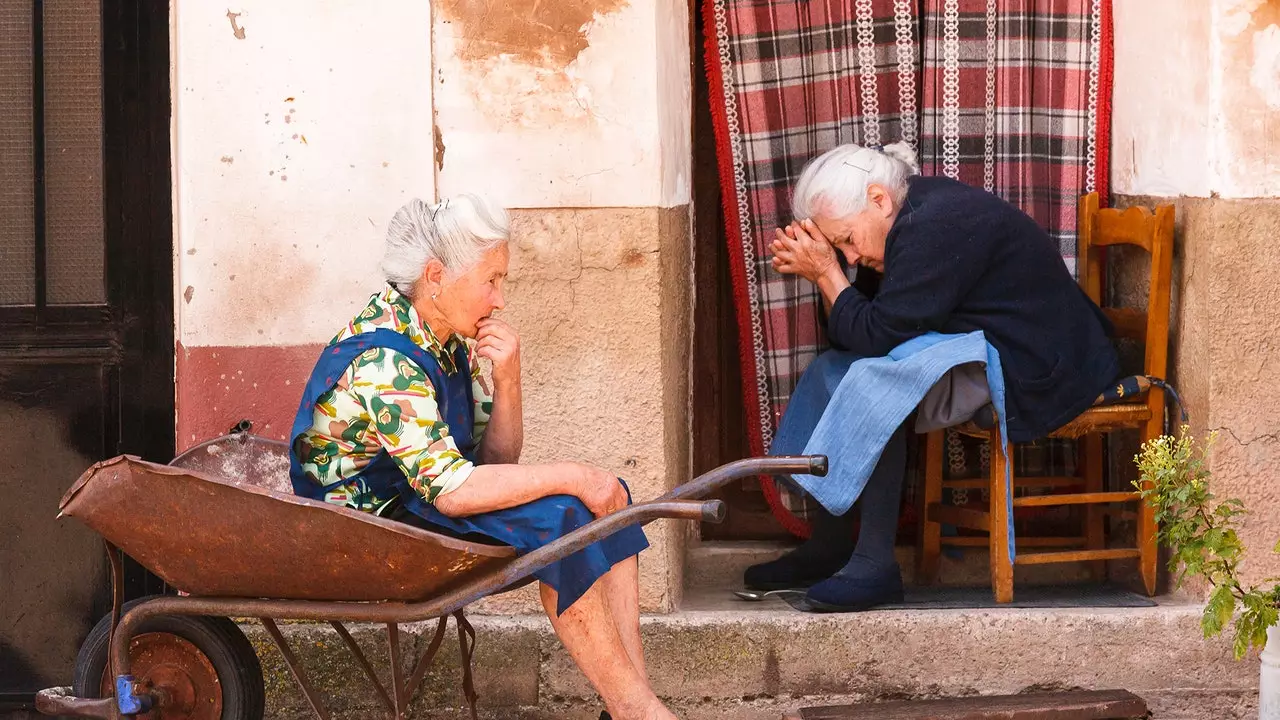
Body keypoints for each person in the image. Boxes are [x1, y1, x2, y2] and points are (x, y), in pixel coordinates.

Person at [289, 195, 676, 720]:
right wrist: (577, 475)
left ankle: (632, 702)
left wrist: (508, 379)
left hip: (420, 498)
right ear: (435, 275)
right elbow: (452, 492)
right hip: (369, 525)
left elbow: (496, 459)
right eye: (490, 280)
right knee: (567, 516)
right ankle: (638, 710)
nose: (499, 299)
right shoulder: (386, 359)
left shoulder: (445, 336)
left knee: (614, 501)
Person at [745, 142, 1120, 611]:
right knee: (832, 369)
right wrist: (831, 272)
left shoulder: (934, 226)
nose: (851, 257)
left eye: (846, 239)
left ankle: (875, 565)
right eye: (839, 247)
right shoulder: (898, 223)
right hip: (982, 347)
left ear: (879, 200)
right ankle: (831, 543)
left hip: (1039, 364)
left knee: (877, 381)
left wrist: (826, 273)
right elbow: (852, 338)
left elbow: (877, 337)